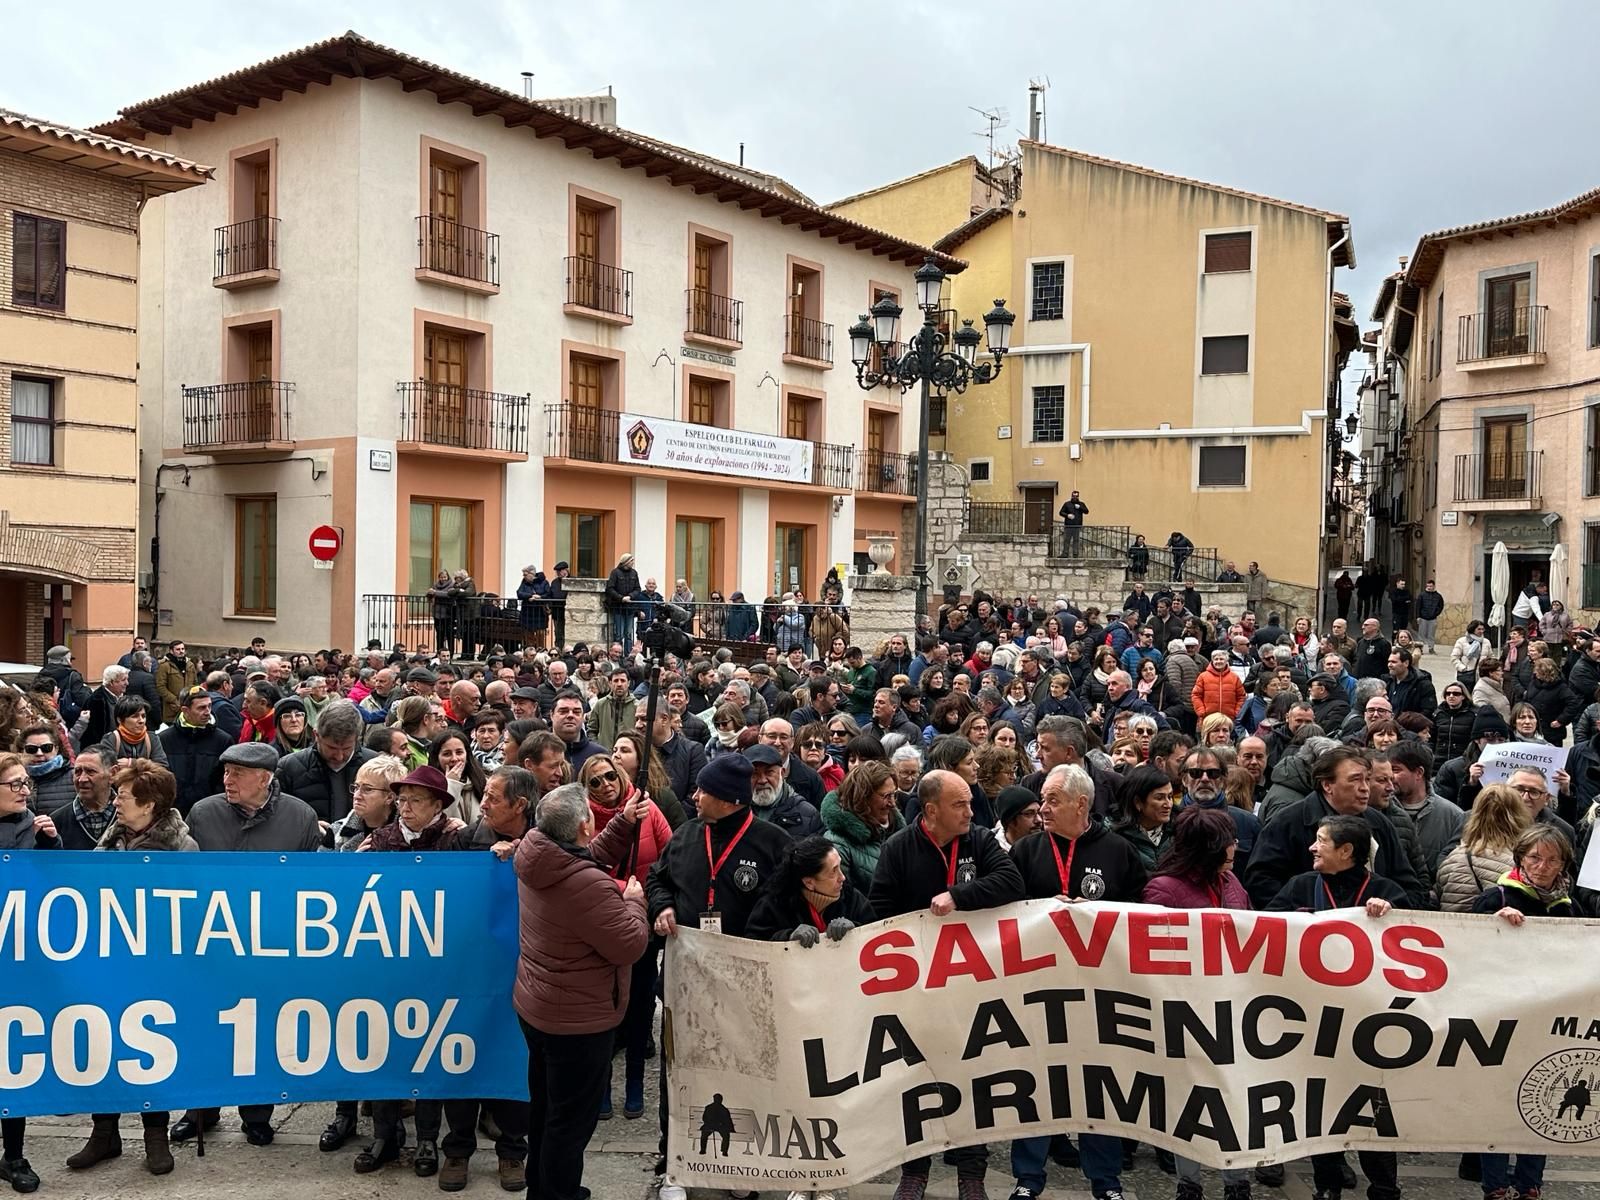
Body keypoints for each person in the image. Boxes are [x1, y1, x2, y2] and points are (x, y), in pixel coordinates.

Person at [869, 768, 1024, 1200]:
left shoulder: (978, 840)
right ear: (931, 810)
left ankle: (971, 1172)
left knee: (975, 1075)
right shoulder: (899, 848)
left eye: (971, 803)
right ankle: (914, 1169)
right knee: (916, 1077)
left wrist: (959, 895)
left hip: (973, 983)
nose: (970, 812)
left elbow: (1012, 881)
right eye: (960, 805)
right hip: (916, 986)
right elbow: (880, 911)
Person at [649, 755, 791, 1200]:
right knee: (679, 1072)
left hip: (747, 988)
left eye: (703, 791)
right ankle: (673, 1163)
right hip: (687, 983)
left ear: (729, 800)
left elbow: (785, 908)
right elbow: (659, 880)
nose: (694, 796)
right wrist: (663, 907)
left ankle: (741, 1167)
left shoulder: (773, 843)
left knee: (743, 1076)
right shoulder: (687, 835)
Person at [1009, 763, 1146, 1200]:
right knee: (1032, 1084)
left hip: (1098, 994)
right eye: (1041, 800)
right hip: (1038, 992)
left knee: (1098, 1086)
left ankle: (1106, 1182)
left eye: (1051, 800)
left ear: (1081, 803)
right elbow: (1002, 916)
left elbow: (1141, 916)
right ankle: (1027, 1179)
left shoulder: (1119, 851)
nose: (1042, 809)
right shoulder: (1026, 851)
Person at [514, 784, 648, 1200]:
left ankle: (542, 1184)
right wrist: (634, 902)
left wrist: (624, 822)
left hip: (538, 1006)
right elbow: (630, 944)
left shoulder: (537, 854)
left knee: (546, 1109)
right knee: (570, 1123)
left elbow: (584, 859)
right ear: (583, 826)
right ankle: (558, 1193)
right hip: (577, 1021)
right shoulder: (588, 886)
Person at [66, 760, 193, 1178]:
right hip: (108, 962)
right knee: (103, 1043)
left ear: (149, 804)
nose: (116, 802)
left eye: (123, 795)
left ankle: (154, 1134)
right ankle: (104, 1132)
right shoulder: (111, 843)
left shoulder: (182, 850)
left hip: (157, 968)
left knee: (149, 1049)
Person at [578, 754, 671, 1123]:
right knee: (604, 1008)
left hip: (642, 920)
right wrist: (620, 889)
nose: (605, 786)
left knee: (640, 1003)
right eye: (595, 782)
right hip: (601, 924)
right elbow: (581, 864)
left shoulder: (647, 808)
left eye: (608, 777)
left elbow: (670, 854)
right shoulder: (581, 819)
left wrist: (653, 898)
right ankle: (601, 1087)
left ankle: (634, 1083)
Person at [1243, 746, 1424, 910]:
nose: (1364, 788)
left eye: (1367, 780)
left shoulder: (1380, 823)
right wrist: (1302, 915)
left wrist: (1389, 905)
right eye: (1355, 780)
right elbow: (1260, 882)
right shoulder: (1289, 822)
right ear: (1327, 785)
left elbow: (1408, 886)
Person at [746, 833, 876, 941]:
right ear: (809, 882)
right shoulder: (774, 904)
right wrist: (788, 936)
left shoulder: (851, 897)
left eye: (840, 867)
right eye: (833, 871)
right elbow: (753, 942)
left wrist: (856, 928)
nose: (842, 877)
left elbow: (876, 931)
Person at [820, 759, 904, 894]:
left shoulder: (900, 834)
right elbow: (845, 900)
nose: (892, 803)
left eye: (894, 795)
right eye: (886, 796)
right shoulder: (838, 844)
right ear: (862, 798)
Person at [158, 685, 234, 814]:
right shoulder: (164, 739)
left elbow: (226, 780)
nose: (207, 711)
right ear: (185, 710)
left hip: (209, 812)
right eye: (201, 708)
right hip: (172, 812)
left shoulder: (223, 740)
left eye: (209, 706)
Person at [1113, 763, 1175, 870]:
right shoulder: (1115, 837)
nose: (1168, 804)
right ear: (1138, 802)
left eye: (1170, 797)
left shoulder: (1181, 831)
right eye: (1159, 798)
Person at [101, 695, 168, 764]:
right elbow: (105, 768)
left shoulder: (152, 738)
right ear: (120, 720)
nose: (141, 721)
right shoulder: (111, 739)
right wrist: (148, 765)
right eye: (135, 716)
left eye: (143, 716)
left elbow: (162, 766)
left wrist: (132, 763)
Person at [604, 553, 641, 647]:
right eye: (631, 560)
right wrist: (621, 598)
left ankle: (628, 655)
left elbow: (637, 589)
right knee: (618, 634)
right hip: (618, 608)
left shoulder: (634, 573)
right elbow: (610, 589)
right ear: (626, 561)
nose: (633, 563)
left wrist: (630, 596)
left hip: (630, 608)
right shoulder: (615, 572)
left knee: (629, 634)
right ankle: (618, 654)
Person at [1058, 489, 1089, 556]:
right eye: (1074, 496)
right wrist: (1067, 515)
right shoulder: (1067, 504)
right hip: (1068, 525)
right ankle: (1065, 553)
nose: (1075, 497)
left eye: (1076, 496)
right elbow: (1061, 512)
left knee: (1076, 540)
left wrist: (1080, 507)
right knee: (1067, 540)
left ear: (1078, 497)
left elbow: (1086, 511)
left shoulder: (1081, 504)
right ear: (1071, 496)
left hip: (1077, 526)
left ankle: (1075, 554)